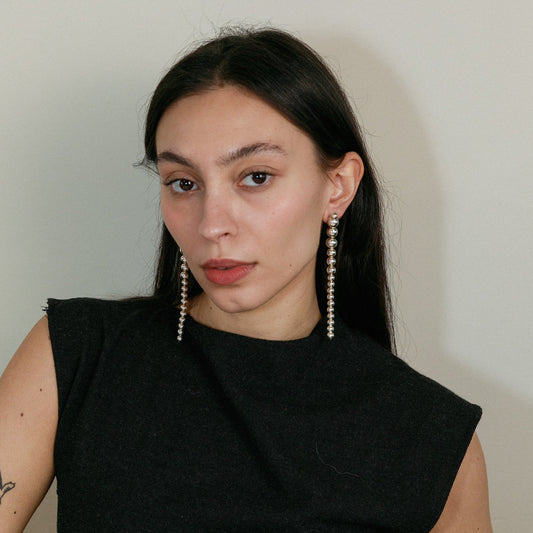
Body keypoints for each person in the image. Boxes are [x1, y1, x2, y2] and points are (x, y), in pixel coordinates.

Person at [0, 27, 492, 532]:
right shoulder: (77, 354)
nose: (212, 224)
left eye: (256, 176)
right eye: (183, 183)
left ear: (338, 186)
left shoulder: (431, 439)